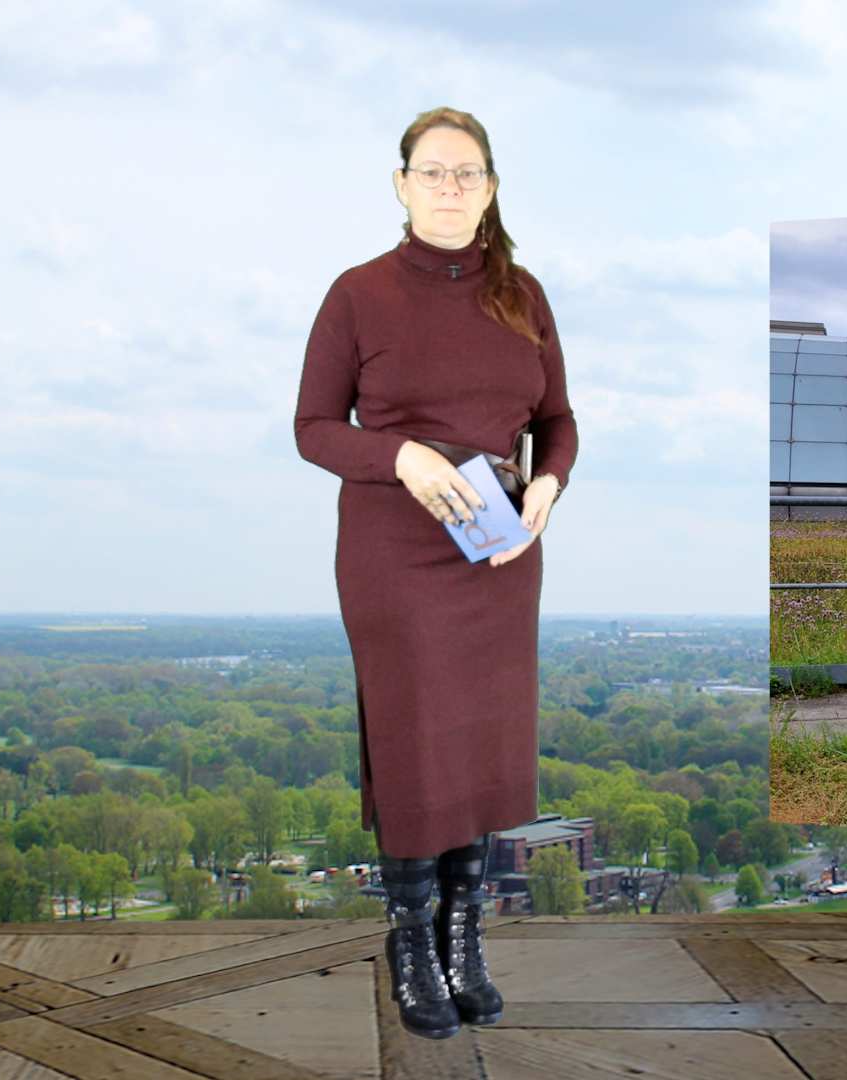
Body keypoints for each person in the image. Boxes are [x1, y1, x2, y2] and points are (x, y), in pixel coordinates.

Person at [294, 107, 577, 1040]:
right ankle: (411, 942)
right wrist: (400, 455)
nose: (449, 187)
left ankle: (465, 938)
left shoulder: (523, 295)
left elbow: (558, 420)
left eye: (466, 172)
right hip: (395, 554)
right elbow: (312, 428)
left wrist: (548, 486)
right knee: (417, 741)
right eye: (431, 171)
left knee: (482, 747)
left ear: (490, 188)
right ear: (401, 185)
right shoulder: (357, 294)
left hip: (499, 550)